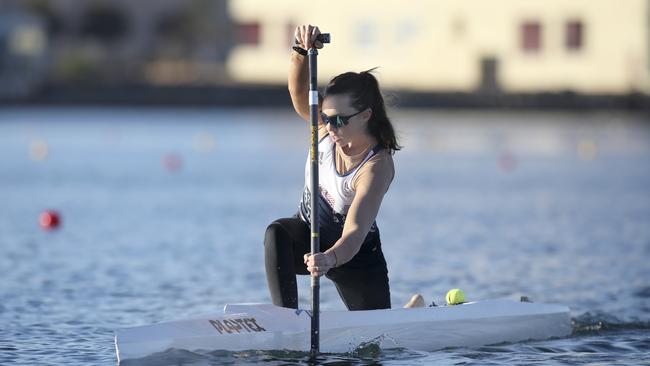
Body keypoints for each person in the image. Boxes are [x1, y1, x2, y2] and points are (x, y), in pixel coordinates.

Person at [264, 24, 401, 311]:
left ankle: (413, 310)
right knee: (276, 232)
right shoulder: (325, 131)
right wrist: (301, 51)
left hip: (354, 257)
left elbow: (354, 231)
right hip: (307, 235)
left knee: (373, 342)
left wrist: (330, 258)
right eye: (325, 118)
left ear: (365, 116)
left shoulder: (376, 166)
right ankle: (286, 319)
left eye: (339, 120)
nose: (329, 127)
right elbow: (297, 92)